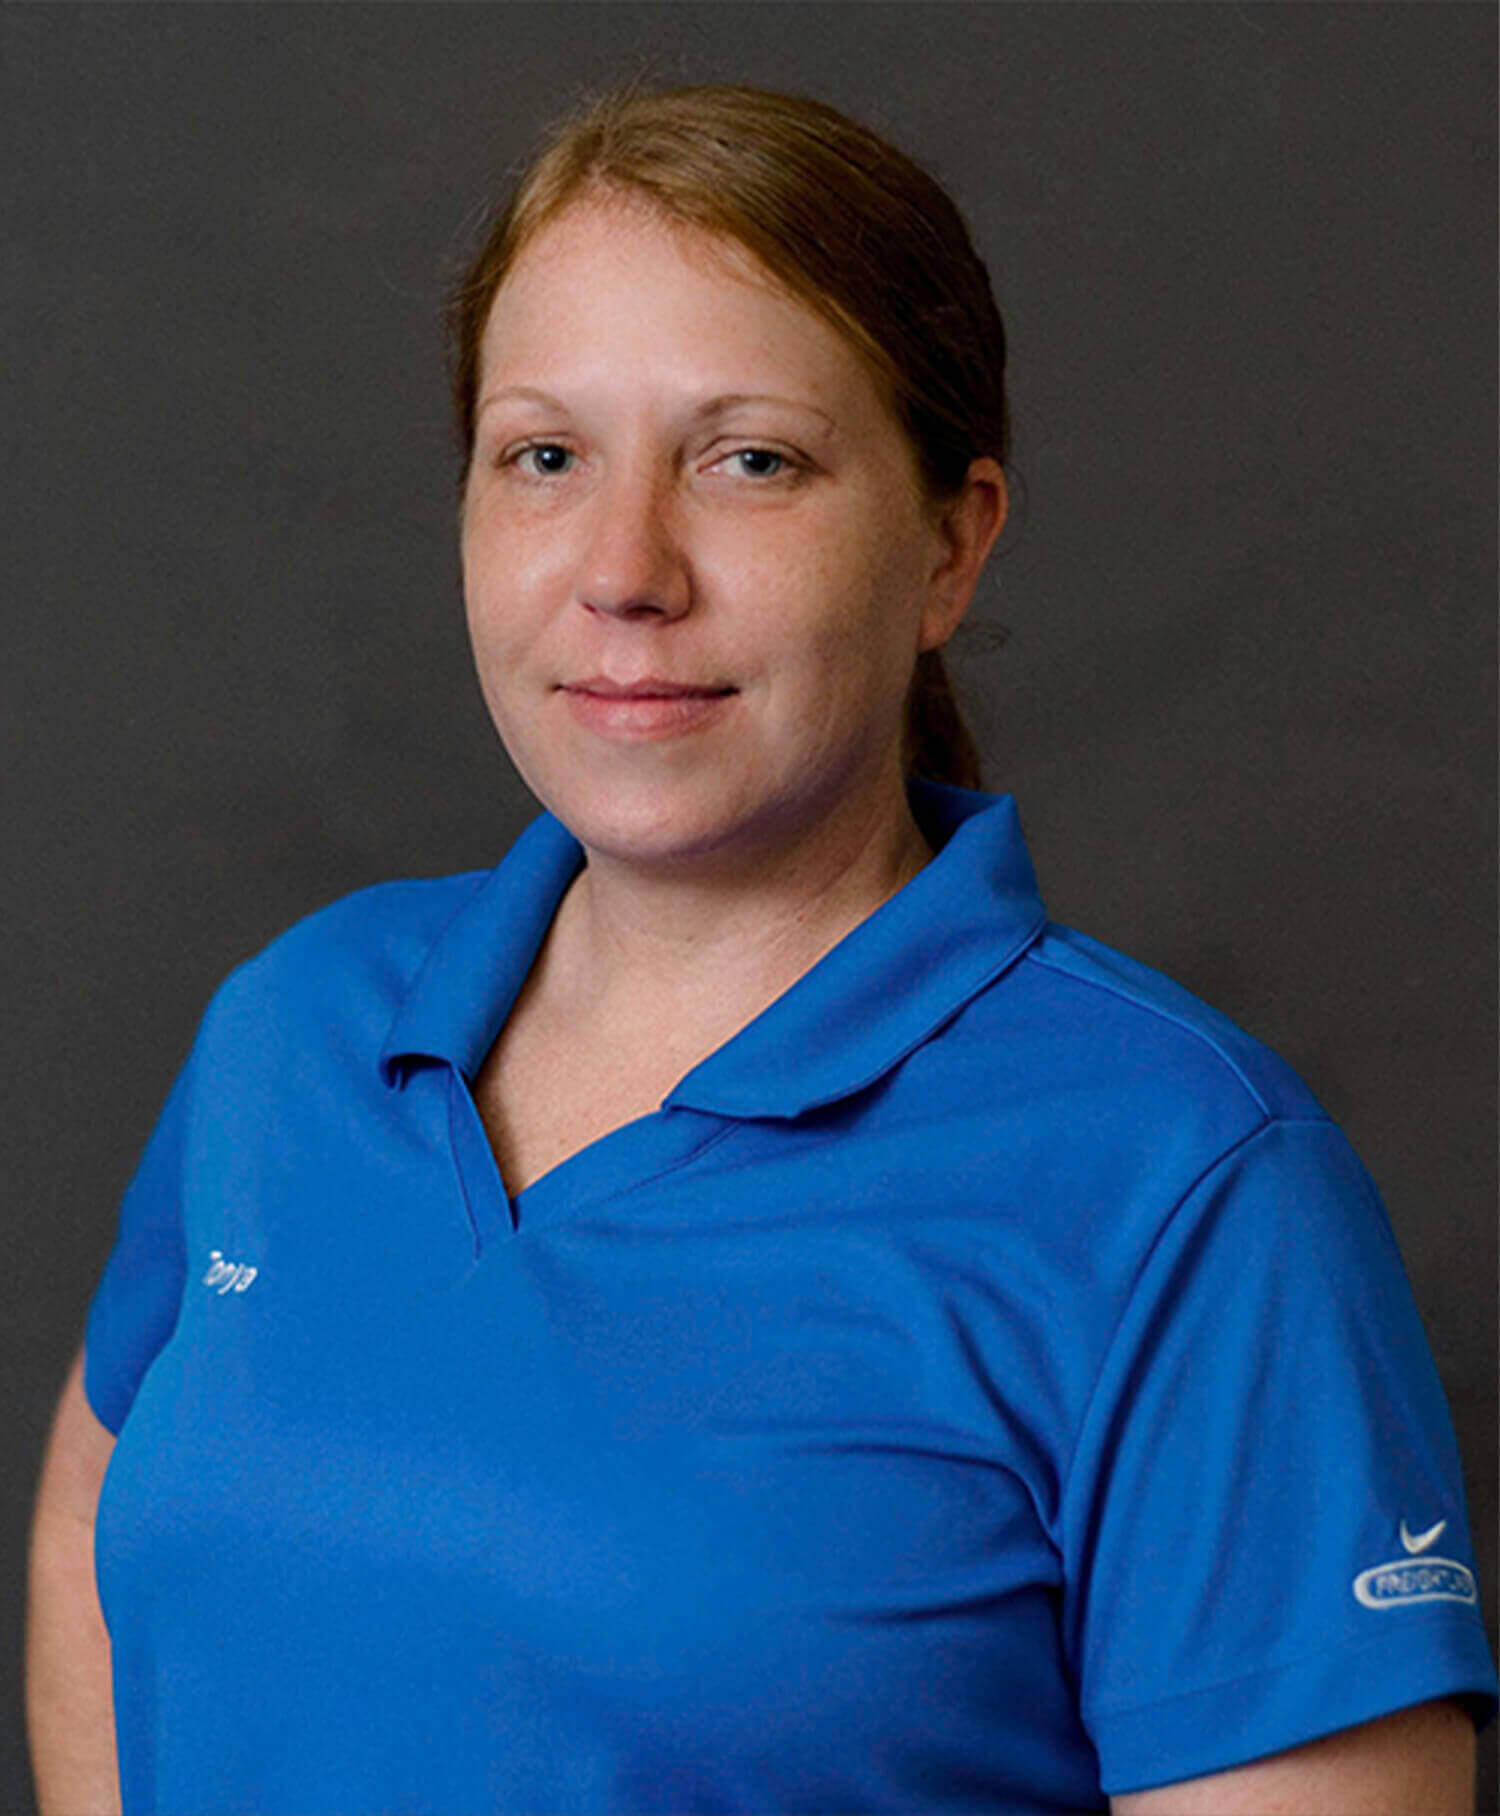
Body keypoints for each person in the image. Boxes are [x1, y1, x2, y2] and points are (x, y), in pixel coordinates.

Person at [27, 80, 1497, 1816]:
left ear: (950, 545)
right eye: (546, 457)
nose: (624, 569)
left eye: (750, 461)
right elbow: (100, 1515)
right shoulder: (298, 1024)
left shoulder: (1188, 1183)